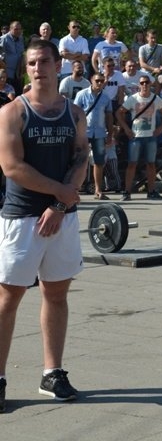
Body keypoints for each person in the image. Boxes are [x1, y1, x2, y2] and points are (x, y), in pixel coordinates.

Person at [0, 37, 89, 409]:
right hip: (22, 219)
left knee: (56, 295)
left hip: (62, 217)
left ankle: (52, 373)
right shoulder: (12, 112)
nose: (39, 69)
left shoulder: (74, 112)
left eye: (45, 62)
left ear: (58, 65)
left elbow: (82, 157)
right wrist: (59, 193)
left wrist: (59, 205)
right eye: (32, 63)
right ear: (27, 69)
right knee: (8, 298)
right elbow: (12, 166)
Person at [115, 74, 162, 201]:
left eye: (146, 82)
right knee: (132, 164)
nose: (144, 85)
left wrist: (161, 128)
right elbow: (119, 112)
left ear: (150, 84)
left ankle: (151, 191)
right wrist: (126, 128)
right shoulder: (133, 98)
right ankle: (127, 191)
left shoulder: (155, 99)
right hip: (136, 136)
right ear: (139, 85)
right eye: (142, 83)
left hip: (150, 136)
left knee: (151, 164)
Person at [72, 72, 114, 200]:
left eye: (102, 81)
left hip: (100, 132)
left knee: (99, 161)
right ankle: (74, 188)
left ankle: (98, 190)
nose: (100, 83)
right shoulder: (82, 94)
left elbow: (109, 116)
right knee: (79, 160)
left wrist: (110, 134)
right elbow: (75, 113)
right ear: (91, 80)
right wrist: (75, 132)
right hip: (84, 131)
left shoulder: (106, 97)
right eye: (97, 81)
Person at [138, 29, 162, 103]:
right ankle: (152, 101)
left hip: (157, 74)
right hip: (146, 73)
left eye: (155, 38)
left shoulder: (161, 47)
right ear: (147, 38)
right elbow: (142, 64)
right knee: (152, 82)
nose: (153, 40)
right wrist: (153, 69)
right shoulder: (142, 48)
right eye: (152, 38)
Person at [0, 22, 24, 92]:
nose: (18, 31)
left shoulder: (21, 39)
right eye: (16, 29)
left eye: (20, 29)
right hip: (7, 75)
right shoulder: (4, 39)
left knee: (18, 94)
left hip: (18, 74)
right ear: (10, 29)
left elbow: (21, 54)